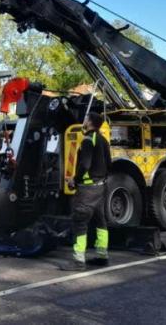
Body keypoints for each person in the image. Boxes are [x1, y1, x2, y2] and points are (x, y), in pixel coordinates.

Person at [67, 111, 111, 268]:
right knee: (101, 221)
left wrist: (74, 180)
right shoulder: (103, 140)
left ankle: (78, 261)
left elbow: (85, 164)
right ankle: (102, 256)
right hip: (101, 187)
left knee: (79, 222)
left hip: (87, 189)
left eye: (85, 118)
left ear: (90, 122)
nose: (83, 120)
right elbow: (109, 163)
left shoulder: (87, 140)